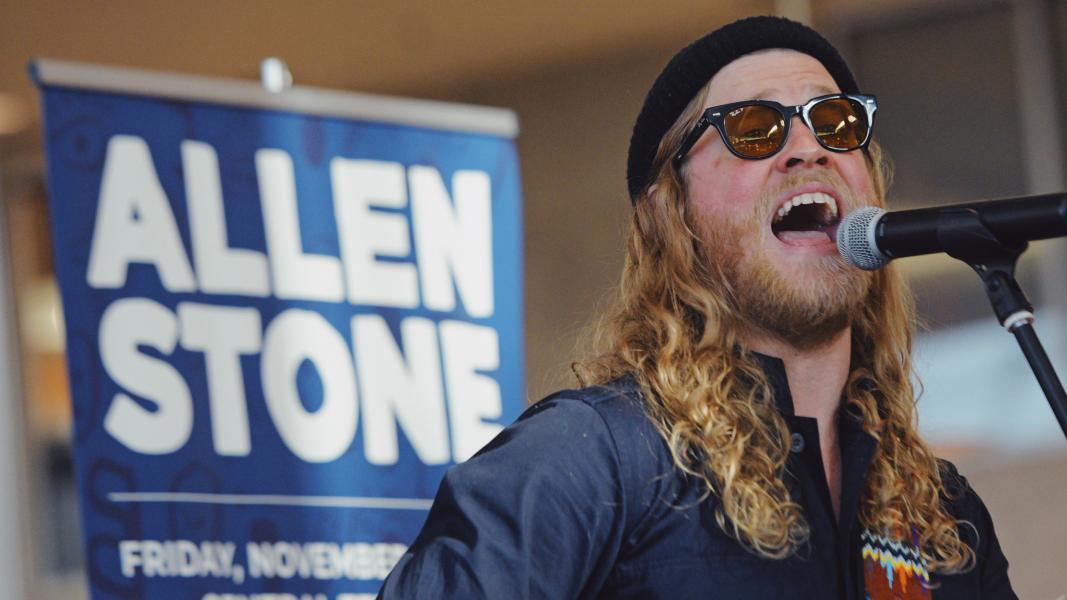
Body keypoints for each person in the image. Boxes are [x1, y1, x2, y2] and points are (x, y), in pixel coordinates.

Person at [378, 15, 1016, 599]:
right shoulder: (593, 458)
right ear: (670, 212)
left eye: (836, 122)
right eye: (754, 128)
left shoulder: (945, 518)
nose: (810, 148)